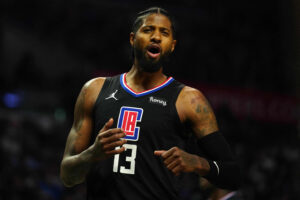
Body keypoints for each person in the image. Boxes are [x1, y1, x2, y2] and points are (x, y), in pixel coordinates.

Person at [60, 7, 241, 200]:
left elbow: (233, 176)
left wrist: (197, 162)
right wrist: (92, 154)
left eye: (164, 33)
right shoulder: (93, 90)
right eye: (148, 30)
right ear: (132, 39)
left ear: (172, 45)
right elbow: (67, 176)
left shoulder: (189, 100)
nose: (156, 37)